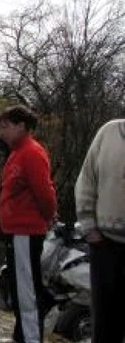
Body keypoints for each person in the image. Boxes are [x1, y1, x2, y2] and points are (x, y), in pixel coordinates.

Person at [0, 105, 56, 343]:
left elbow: (45, 193)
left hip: (25, 233)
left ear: (22, 126)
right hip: (16, 232)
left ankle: (30, 339)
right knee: (20, 290)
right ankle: (21, 336)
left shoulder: (32, 152)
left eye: (5, 127)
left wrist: (49, 215)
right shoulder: (17, 152)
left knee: (27, 293)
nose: (2, 133)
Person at [75, 118, 125, 343]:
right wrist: (88, 226)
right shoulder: (109, 132)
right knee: (105, 321)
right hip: (105, 244)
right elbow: (87, 180)